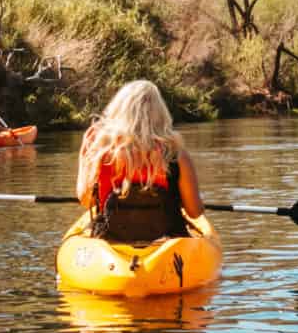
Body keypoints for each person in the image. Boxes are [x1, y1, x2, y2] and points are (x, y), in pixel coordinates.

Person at [78, 79, 205, 245]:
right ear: (160, 114)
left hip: (112, 241)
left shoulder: (99, 149)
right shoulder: (176, 154)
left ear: (118, 110)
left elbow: (86, 200)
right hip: (165, 243)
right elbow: (195, 212)